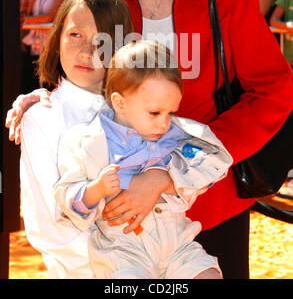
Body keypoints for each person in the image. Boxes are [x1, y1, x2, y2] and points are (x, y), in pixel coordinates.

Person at [7, 0, 293, 279]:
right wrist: (46, 101)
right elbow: (86, 83)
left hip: (209, 207)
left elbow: (274, 92)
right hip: (118, 223)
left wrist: (171, 174)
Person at [54, 40, 232, 279]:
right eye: (155, 112)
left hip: (178, 244)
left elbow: (214, 165)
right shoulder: (86, 143)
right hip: (123, 251)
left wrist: (166, 177)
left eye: (171, 112)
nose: (164, 122)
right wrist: (96, 189)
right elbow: (67, 197)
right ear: (120, 102)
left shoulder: (178, 134)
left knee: (210, 275)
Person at [18, 0, 134, 278]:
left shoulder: (139, 112)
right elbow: (47, 227)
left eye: (102, 40)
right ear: (57, 39)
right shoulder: (42, 119)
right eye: (75, 35)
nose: (87, 51)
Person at [21, 0, 73, 92]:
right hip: (34, 48)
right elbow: (28, 11)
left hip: (51, 51)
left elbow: (50, 17)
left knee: (47, 92)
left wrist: (20, 21)